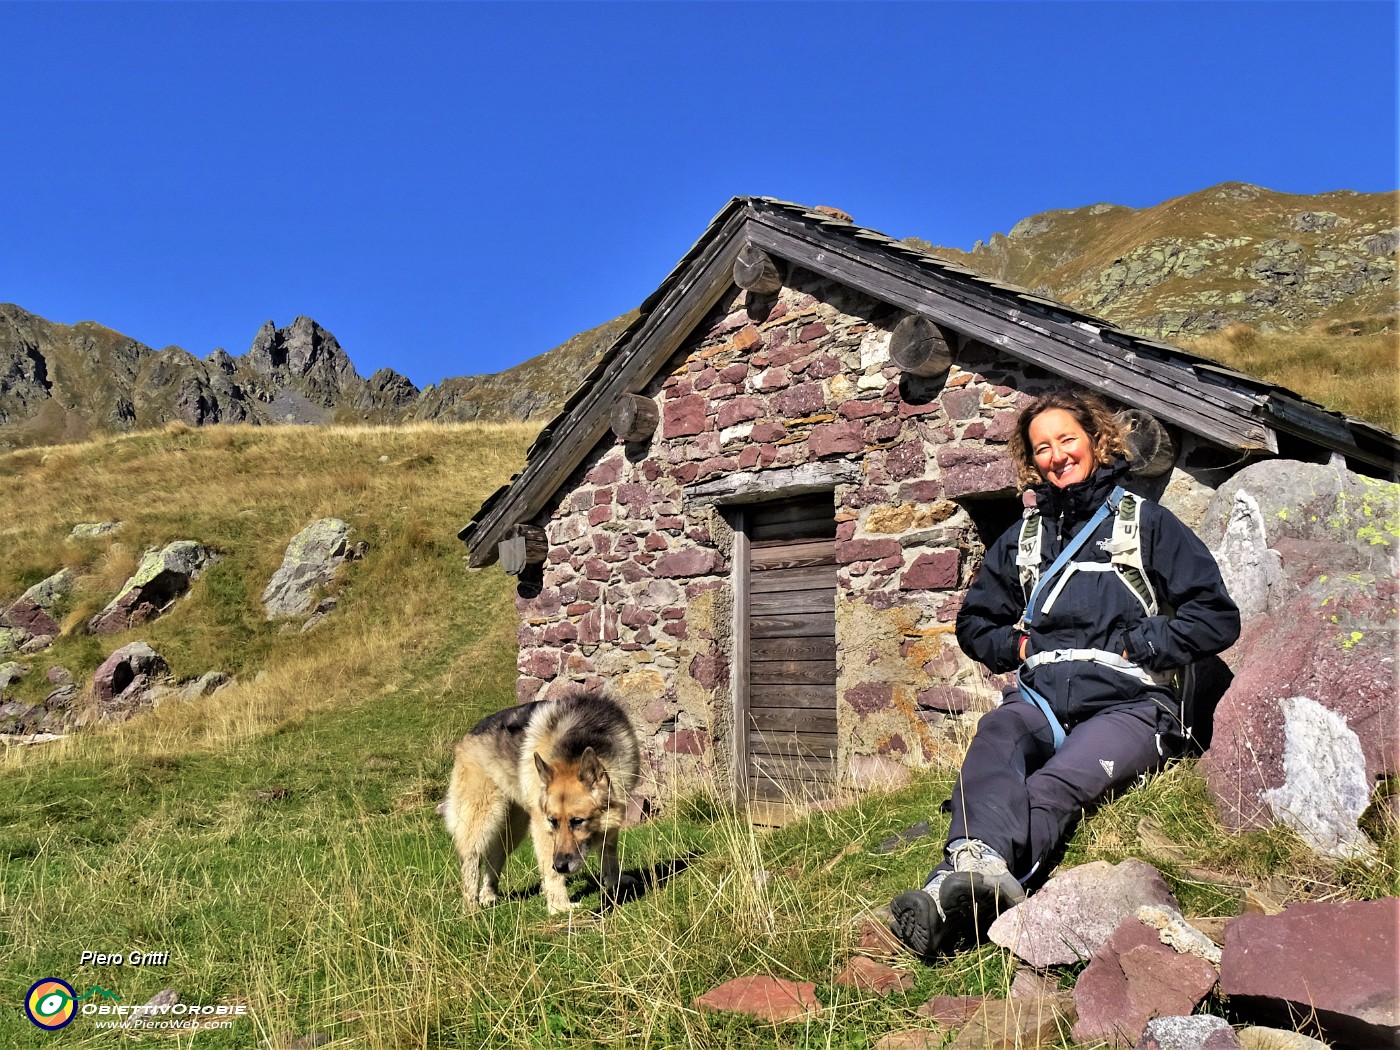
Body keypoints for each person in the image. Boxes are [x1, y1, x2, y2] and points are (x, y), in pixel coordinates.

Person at [889, 390, 1241, 959]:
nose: (1056, 455)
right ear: (1033, 460)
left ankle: (953, 892)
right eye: (1042, 447)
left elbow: (1216, 618)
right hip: (1043, 700)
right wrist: (1017, 644)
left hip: (1130, 706)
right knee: (997, 739)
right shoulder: (1024, 538)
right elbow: (975, 622)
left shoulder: (1145, 524)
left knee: (1054, 786)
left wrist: (1145, 643)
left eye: (1067, 440)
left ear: (1096, 440)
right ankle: (977, 872)